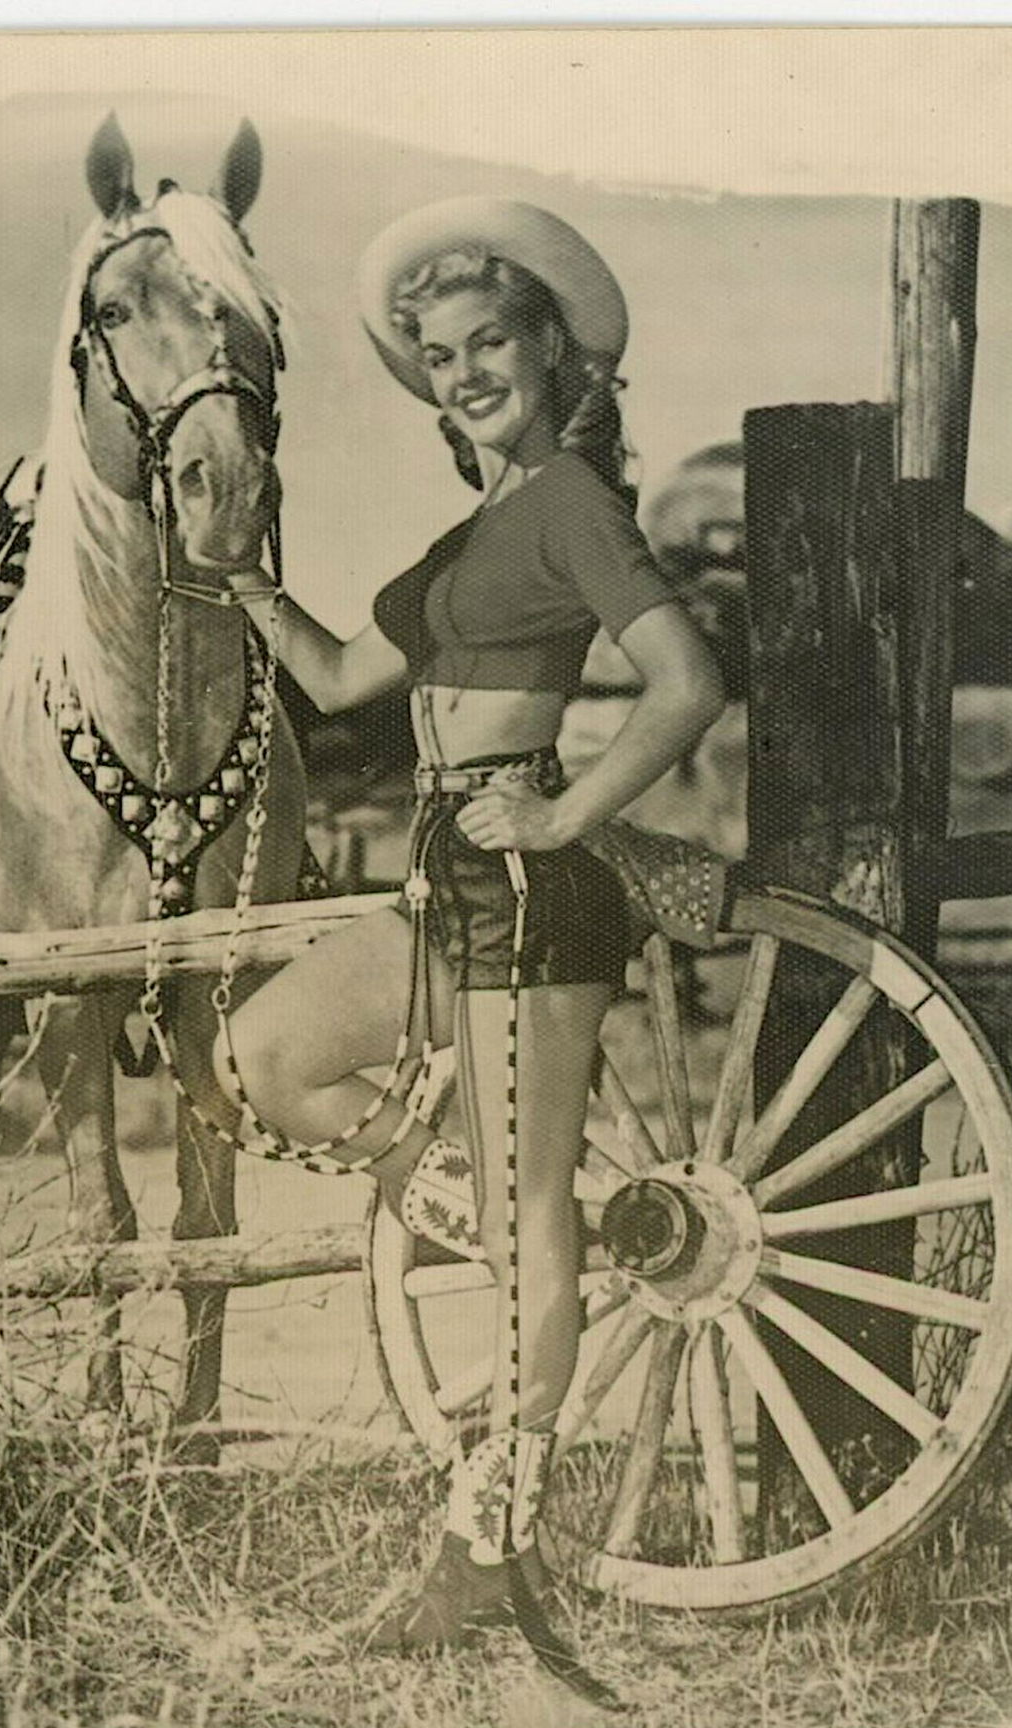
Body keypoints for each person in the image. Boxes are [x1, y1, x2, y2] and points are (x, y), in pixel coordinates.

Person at [219, 197, 725, 1653]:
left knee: (530, 1230)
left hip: (522, 887)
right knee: (260, 1058)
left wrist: (567, 817)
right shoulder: (481, 524)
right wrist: (243, 567)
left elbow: (685, 684)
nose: (460, 372)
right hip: (441, 888)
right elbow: (328, 675)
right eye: (436, 354)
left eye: (487, 340)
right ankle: (499, 1210)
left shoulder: (570, 500)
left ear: (552, 352)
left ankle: (483, 1547)